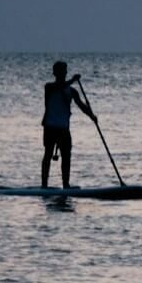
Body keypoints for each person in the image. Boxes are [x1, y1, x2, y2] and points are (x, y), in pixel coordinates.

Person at [40, 60, 94, 189]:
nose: (62, 73)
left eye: (64, 71)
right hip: (50, 127)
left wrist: (92, 116)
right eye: (60, 71)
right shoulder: (49, 87)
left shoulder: (72, 91)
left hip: (63, 128)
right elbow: (59, 87)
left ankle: (66, 184)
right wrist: (72, 80)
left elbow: (81, 106)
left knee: (66, 156)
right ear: (55, 73)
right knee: (48, 154)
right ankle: (44, 185)